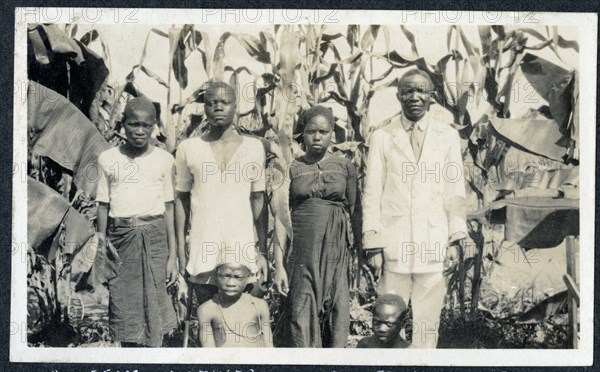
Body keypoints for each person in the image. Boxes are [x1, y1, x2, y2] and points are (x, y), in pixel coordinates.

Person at [362, 69, 467, 348]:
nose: (415, 96)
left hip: (433, 243)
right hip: (393, 244)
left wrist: (455, 238)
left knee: (427, 326)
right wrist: (372, 242)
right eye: (408, 91)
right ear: (398, 96)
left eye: (421, 90)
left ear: (432, 96)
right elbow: (371, 191)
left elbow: (455, 192)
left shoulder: (447, 137)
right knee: (390, 319)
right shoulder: (383, 136)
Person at [175, 81, 268, 306]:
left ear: (235, 106)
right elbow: (181, 201)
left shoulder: (253, 148)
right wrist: (180, 252)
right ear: (204, 108)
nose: (218, 107)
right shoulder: (189, 148)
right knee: (208, 316)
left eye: (225, 102)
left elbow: (258, 200)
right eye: (211, 103)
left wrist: (262, 252)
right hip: (203, 247)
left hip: (240, 247)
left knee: (240, 319)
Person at [273, 105, 358, 348]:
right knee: (302, 306)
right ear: (303, 133)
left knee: (338, 304)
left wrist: (358, 252)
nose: (317, 137)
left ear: (333, 133)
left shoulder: (345, 167)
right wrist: (278, 265)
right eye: (311, 131)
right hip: (302, 248)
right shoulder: (292, 168)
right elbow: (281, 217)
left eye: (324, 131)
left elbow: (355, 212)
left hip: (335, 249)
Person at [96, 97, 177, 347]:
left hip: (154, 238)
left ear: (154, 126)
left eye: (146, 125)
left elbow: (169, 208)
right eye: (133, 124)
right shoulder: (107, 158)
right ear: (123, 124)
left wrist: (173, 255)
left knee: (155, 303)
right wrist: (101, 246)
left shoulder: (164, 160)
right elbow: (103, 203)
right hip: (121, 238)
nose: (140, 131)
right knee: (124, 302)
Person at [197, 259, 273, 347]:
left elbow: (269, 348)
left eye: (238, 277)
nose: (231, 283)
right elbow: (209, 353)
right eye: (225, 276)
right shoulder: (207, 310)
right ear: (216, 276)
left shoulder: (259, 306)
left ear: (248, 277)